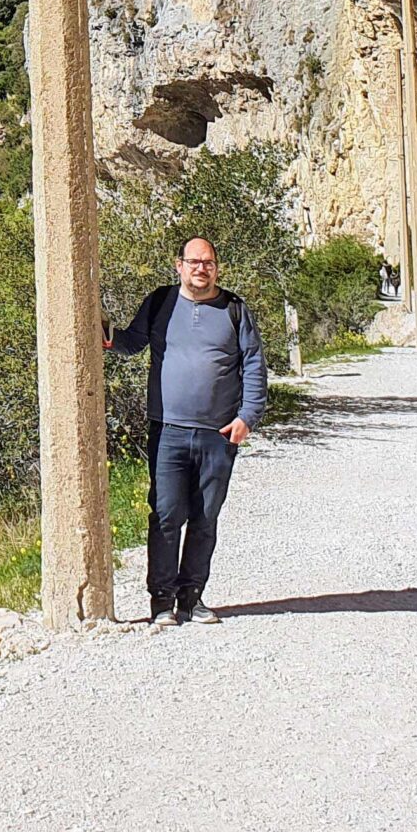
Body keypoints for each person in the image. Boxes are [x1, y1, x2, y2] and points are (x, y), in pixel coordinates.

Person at [104, 236, 267, 626]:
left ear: (217, 267)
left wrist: (247, 416)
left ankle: (192, 599)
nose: (201, 269)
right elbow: (131, 343)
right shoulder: (160, 303)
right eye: (193, 262)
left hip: (218, 434)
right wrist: (103, 330)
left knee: (205, 517)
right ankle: (161, 602)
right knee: (164, 515)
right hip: (168, 432)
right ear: (179, 265)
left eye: (208, 262)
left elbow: (255, 364)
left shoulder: (234, 309)